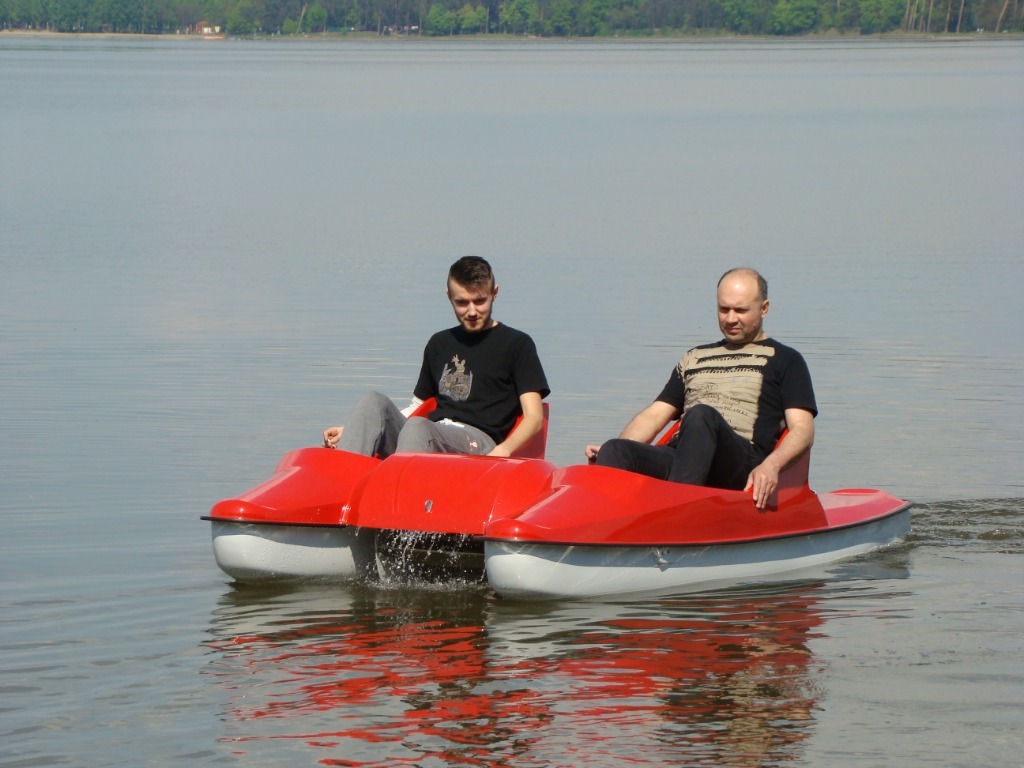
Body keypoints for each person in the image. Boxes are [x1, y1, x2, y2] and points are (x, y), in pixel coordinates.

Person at [585, 268, 816, 509]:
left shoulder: (786, 360)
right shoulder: (694, 357)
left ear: (764, 308)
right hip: (683, 457)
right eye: (724, 309)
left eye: (741, 310)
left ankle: (674, 515)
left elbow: (802, 430)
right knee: (616, 449)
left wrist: (771, 466)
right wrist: (616, 447)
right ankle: (598, 524)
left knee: (701, 416)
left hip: (739, 462)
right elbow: (654, 415)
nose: (730, 319)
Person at [323, 256, 550, 459]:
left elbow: (534, 418)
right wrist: (360, 428)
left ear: (495, 293)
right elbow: (418, 406)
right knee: (372, 402)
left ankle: (399, 498)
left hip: (477, 442)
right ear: (449, 296)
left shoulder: (517, 345)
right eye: (462, 302)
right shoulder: (439, 343)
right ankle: (340, 485)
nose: (472, 311)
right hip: (428, 434)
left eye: (480, 301)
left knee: (418, 428)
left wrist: (503, 450)